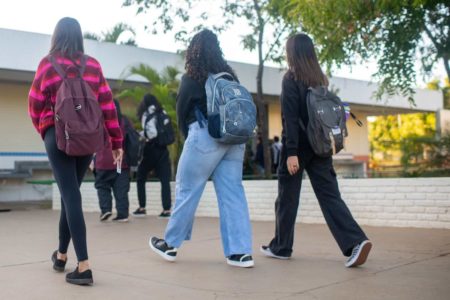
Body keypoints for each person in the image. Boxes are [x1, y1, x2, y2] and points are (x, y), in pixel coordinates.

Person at [260, 33, 372, 268]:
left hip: (298, 148)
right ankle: (356, 241)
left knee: (287, 199)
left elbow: (289, 119)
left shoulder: (291, 78)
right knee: (331, 197)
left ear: (292, 52)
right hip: (321, 146)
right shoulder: (319, 79)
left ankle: (281, 247)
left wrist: (290, 152)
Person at [28, 17, 123, 285]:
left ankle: (83, 265)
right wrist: (116, 142)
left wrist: (46, 130)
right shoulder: (92, 65)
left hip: (57, 135)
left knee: (70, 195)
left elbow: (34, 104)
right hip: (87, 138)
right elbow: (108, 106)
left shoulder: (47, 64)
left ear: (56, 36)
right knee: (71, 194)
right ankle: (61, 255)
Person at [149, 29, 254, 268]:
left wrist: (194, 141)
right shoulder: (230, 77)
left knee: (187, 189)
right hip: (235, 141)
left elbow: (182, 112)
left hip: (206, 135)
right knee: (233, 194)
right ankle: (240, 253)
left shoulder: (192, 77)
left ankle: (170, 244)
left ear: (193, 52)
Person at [133, 94, 172, 218]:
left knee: (140, 177)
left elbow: (151, 133)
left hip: (151, 149)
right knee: (165, 180)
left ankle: (142, 207)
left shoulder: (146, 114)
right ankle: (166, 210)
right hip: (163, 149)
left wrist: (141, 134)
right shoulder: (163, 111)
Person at [93, 100, 130, 223]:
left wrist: (90, 160)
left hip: (102, 161)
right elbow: (132, 141)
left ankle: (106, 210)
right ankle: (122, 214)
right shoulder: (124, 122)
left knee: (102, 186)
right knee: (121, 188)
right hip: (121, 162)